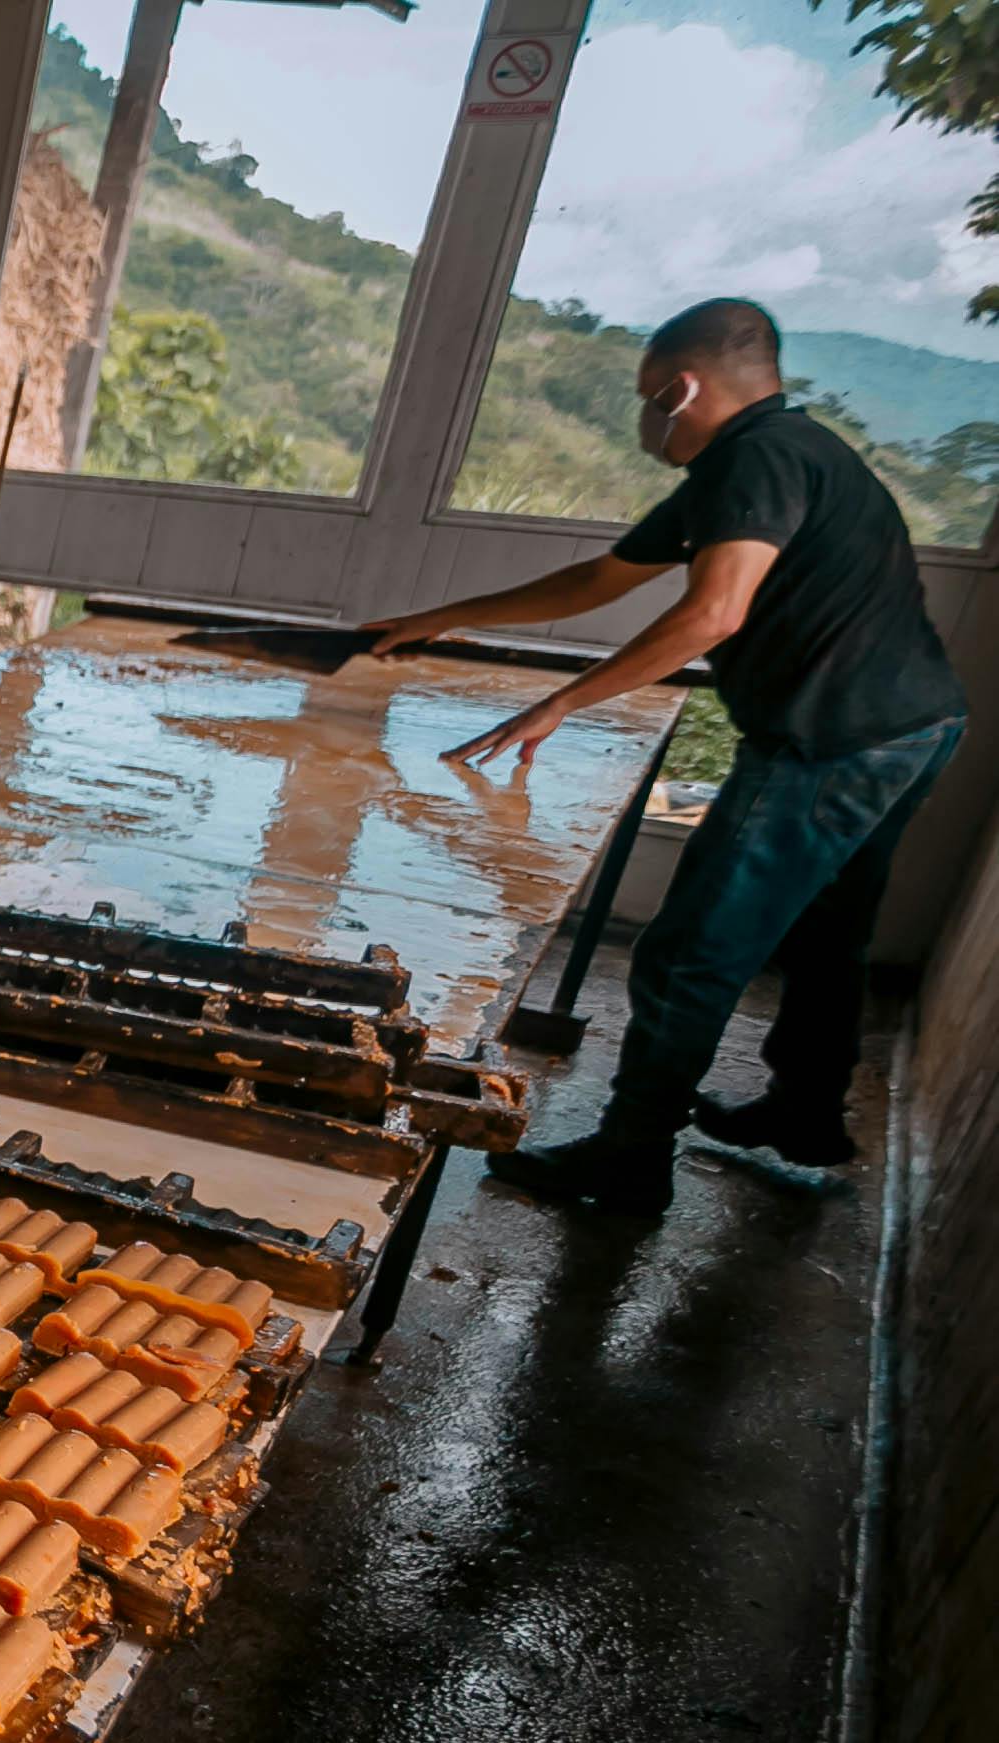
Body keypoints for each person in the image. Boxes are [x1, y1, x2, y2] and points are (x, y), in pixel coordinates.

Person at [363, 297, 968, 1218]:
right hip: (911, 727)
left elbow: (714, 612)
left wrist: (563, 701)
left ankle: (629, 1161)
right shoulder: (782, 453)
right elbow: (599, 578)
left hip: (828, 745)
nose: (648, 422)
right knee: (826, 934)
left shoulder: (753, 462)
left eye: (650, 401)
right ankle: (804, 1115)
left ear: (682, 389)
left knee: (687, 956)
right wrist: (444, 617)